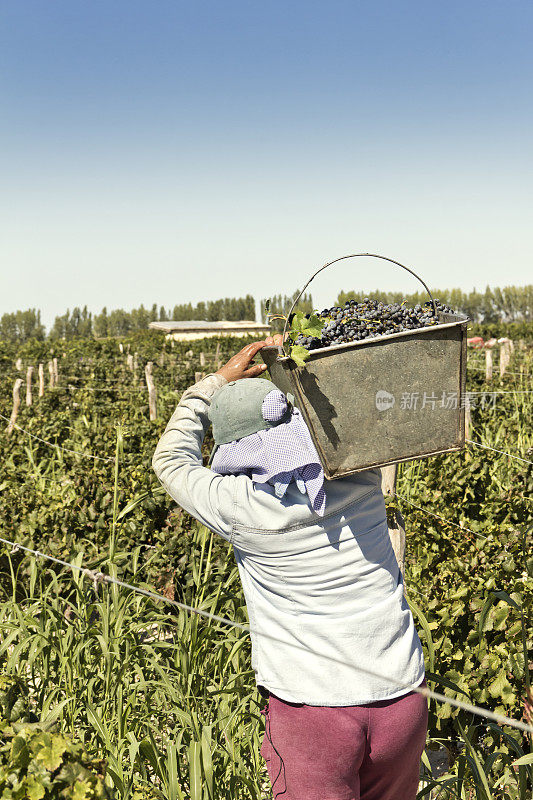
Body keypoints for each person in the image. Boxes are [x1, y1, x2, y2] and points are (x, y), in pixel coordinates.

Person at [152, 337, 428, 800]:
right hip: (402, 699)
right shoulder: (361, 474)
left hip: (314, 713)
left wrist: (211, 386)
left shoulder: (239, 505)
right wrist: (298, 362)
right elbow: (356, 402)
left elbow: (169, 459)